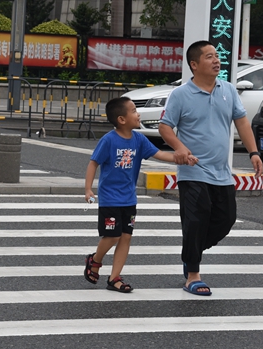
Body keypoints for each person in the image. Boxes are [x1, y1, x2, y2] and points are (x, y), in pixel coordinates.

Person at [159, 40, 263, 297]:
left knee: (225, 220)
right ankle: (192, 274)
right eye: (209, 57)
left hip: (221, 172)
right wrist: (180, 148)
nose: (216, 60)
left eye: (216, 56)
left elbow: (242, 124)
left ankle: (190, 254)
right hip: (193, 170)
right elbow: (165, 127)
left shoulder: (228, 90)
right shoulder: (181, 94)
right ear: (194, 65)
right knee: (196, 219)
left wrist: (254, 153)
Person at [84, 96, 196, 293]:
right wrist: (88, 189)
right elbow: (94, 162)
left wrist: (182, 158)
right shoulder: (109, 140)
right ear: (122, 119)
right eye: (134, 110)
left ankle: (114, 278)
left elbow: (160, 154)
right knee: (112, 235)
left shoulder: (138, 139)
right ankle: (95, 260)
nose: (139, 114)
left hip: (129, 198)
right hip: (110, 197)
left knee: (125, 237)